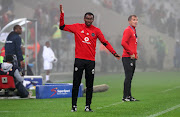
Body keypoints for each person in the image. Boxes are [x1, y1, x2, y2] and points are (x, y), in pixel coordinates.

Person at [59, 4, 120, 112]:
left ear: (93, 20)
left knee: (90, 85)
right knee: (76, 83)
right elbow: (62, 26)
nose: (89, 20)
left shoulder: (96, 31)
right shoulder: (77, 27)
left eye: (91, 19)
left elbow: (105, 42)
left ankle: (88, 106)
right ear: (84, 19)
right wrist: (62, 14)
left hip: (90, 61)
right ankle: (74, 106)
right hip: (79, 60)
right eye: (87, 18)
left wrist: (114, 53)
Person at [121, 15, 139, 102]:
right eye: (134, 20)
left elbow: (133, 44)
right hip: (127, 57)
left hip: (132, 57)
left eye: (136, 20)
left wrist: (135, 54)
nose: (136, 21)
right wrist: (131, 53)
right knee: (128, 77)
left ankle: (129, 95)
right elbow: (123, 43)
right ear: (129, 21)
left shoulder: (134, 30)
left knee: (130, 77)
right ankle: (125, 96)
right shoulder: (128, 30)